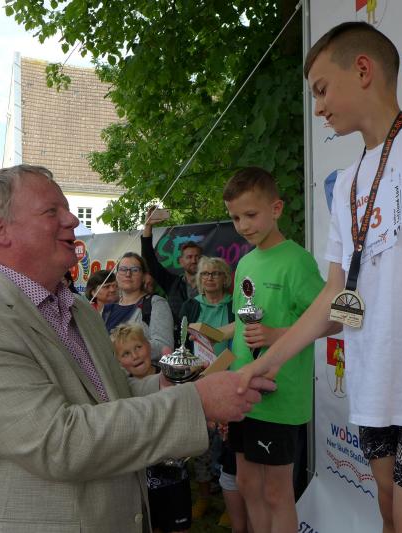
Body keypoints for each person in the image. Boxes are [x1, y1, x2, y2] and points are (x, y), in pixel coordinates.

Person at [0, 164, 274, 532]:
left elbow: (107, 397)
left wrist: (165, 386)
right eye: (52, 211)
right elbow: (59, 441)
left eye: (67, 209)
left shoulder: (77, 309)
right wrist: (197, 403)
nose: (72, 221)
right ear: (0, 230)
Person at [237, 22, 402, 533]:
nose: (318, 107)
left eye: (321, 90)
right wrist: (265, 363)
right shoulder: (347, 181)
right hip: (371, 384)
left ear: (362, 70)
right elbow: (336, 297)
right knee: (389, 515)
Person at [223, 167, 327, 533]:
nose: (243, 226)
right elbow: (242, 325)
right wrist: (214, 343)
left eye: (250, 215)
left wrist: (276, 334)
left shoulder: (297, 261)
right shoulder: (245, 262)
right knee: (247, 483)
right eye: (235, 218)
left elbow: (334, 320)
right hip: (242, 391)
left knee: (275, 492)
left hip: (280, 397)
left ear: (276, 209)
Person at [111, 324, 192, 533]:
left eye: (138, 347)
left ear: (148, 346)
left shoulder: (170, 375)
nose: (135, 356)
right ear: (118, 361)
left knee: (178, 526)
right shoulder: (121, 389)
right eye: (126, 353)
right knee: (151, 525)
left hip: (174, 470)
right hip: (143, 475)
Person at [178, 256, 235, 520]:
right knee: (201, 443)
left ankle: (229, 504)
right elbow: (181, 345)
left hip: (230, 380)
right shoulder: (190, 306)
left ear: (225, 278)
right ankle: (203, 497)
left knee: (229, 444)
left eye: (215, 273)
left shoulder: (235, 305)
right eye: (205, 274)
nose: (210, 278)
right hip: (199, 381)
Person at [141, 207, 202, 331]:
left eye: (197, 257)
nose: (193, 260)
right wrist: (148, 226)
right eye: (189, 257)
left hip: (204, 336)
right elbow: (149, 259)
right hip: (177, 338)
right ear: (181, 261)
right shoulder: (172, 283)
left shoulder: (211, 282)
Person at [104, 253, 173, 358]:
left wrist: (122, 348)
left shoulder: (156, 304)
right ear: (116, 275)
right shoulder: (109, 309)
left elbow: (164, 347)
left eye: (135, 270)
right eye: (123, 269)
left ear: (144, 276)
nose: (128, 274)